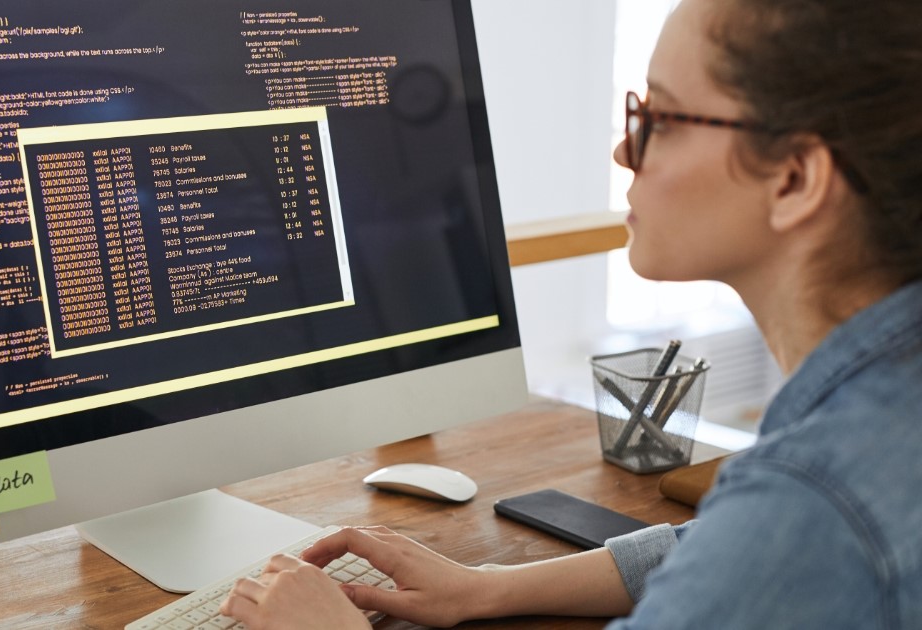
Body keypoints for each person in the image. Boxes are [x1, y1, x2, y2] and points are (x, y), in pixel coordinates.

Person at [218, 0, 922, 627]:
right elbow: (726, 552)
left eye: (660, 120)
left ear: (795, 179)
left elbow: (782, 537)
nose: (624, 149)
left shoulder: (812, 504)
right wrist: (490, 587)